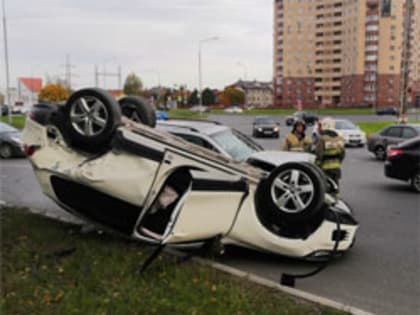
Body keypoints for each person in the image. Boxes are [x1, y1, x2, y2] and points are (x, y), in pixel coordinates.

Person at [314, 119, 346, 190]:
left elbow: (319, 154)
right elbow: (342, 154)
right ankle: (336, 198)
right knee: (335, 186)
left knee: (325, 187)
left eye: (320, 126)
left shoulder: (322, 139)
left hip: (325, 169)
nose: (318, 129)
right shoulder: (339, 138)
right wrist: (337, 162)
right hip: (336, 168)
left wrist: (316, 165)